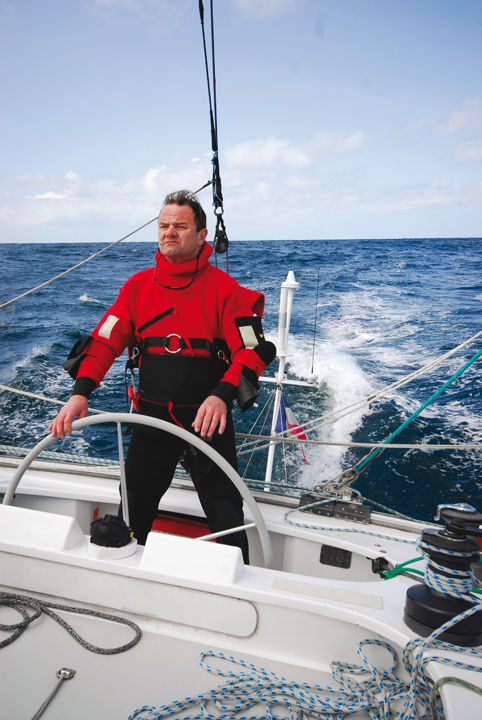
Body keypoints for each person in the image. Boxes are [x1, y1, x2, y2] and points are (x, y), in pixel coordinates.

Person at [49, 190, 276, 562]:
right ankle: (127, 578)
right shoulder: (136, 288)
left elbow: (254, 351)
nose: (170, 231)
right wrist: (81, 392)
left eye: (180, 225)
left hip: (208, 421)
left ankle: (240, 588)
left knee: (226, 514)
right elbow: (104, 343)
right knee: (132, 511)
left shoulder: (227, 292)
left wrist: (221, 393)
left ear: (202, 236)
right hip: (152, 419)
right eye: (164, 225)